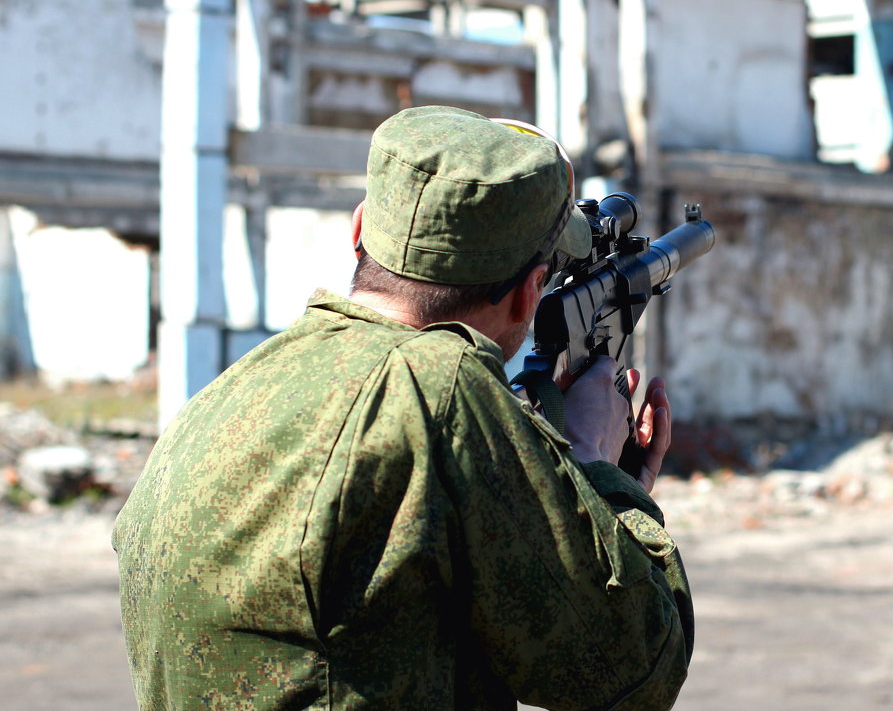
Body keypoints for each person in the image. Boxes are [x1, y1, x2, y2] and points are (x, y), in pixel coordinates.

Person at [113, 105, 693, 710]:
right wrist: (598, 463)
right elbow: (634, 668)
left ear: (360, 228)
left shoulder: (233, 390)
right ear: (529, 293)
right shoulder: (445, 389)